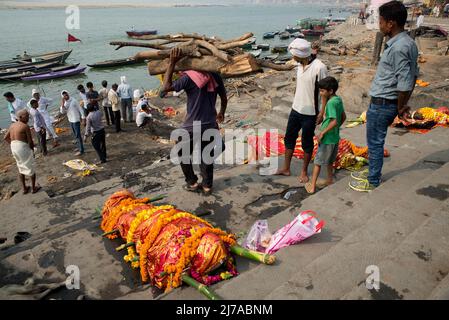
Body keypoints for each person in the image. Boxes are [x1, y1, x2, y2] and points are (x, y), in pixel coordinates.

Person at [350, 1, 418, 192]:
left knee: (374, 144)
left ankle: (373, 180)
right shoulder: (408, 43)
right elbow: (412, 76)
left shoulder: (398, 47)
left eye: (380, 21)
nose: (379, 25)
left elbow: (405, 82)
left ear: (391, 23)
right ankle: (373, 174)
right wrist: (401, 105)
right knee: (376, 143)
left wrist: (400, 107)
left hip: (382, 105)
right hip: (387, 103)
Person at [161, 47, 228, 195]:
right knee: (207, 155)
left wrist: (172, 62)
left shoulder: (188, 77)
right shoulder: (215, 76)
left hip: (191, 126)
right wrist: (221, 113)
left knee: (182, 152)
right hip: (210, 123)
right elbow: (224, 98)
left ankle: (191, 182)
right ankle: (207, 186)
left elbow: (165, 87)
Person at [275, 38, 328, 183]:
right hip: (296, 109)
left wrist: (322, 113)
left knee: (307, 143)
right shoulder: (299, 65)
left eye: (294, 55)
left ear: (301, 54)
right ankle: (286, 168)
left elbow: (325, 92)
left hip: (310, 113)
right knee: (289, 138)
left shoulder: (319, 68)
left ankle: (304, 171)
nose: (293, 58)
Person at [305, 77, 346, 194]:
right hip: (334, 138)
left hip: (327, 138)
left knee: (317, 162)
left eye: (323, 91)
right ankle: (329, 180)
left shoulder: (331, 103)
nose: (321, 93)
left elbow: (334, 121)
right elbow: (343, 117)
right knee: (330, 161)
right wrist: (335, 129)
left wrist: (322, 132)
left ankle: (312, 186)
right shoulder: (338, 100)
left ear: (331, 91)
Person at [4, 109, 40, 194]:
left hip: (14, 147)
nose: (28, 118)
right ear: (20, 117)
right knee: (31, 167)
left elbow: (5, 137)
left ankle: (24, 188)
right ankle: (34, 188)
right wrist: (32, 152)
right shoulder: (25, 126)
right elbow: (30, 142)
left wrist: (13, 144)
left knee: (20, 167)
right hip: (22, 147)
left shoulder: (12, 125)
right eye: (26, 116)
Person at [60, 90, 85, 156]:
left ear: (68, 94)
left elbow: (80, 109)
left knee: (78, 135)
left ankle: (81, 150)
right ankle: (79, 147)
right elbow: (62, 112)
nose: (66, 96)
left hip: (76, 120)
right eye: (64, 95)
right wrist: (62, 104)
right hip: (70, 120)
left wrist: (83, 118)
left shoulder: (74, 100)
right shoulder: (65, 103)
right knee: (75, 134)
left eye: (66, 94)